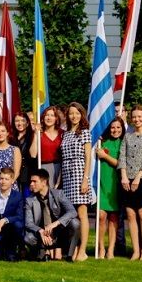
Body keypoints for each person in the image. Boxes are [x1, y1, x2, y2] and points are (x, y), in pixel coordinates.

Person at [118, 105, 142, 261]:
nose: (137, 119)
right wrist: (124, 176)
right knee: (130, 214)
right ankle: (135, 250)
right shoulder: (128, 136)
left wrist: (137, 178)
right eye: (134, 117)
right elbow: (122, 157)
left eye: (139, 116)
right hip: (127, 181)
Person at [56, 101, 93, 261]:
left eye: (77, 113)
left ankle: (83, 250)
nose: (74, 116)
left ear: (81, 114)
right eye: (71, 113)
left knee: (82, 213)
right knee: (72, 215)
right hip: (67, 175)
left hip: (79, 174)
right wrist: (59, 181)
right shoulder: (65, 133)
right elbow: (63, 158)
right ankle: (75, 248)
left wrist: (85, 179)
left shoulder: (84, 132)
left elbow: (88, 157)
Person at [24, 169, 78, 260]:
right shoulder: (29, 200)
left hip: (59, 233)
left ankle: (68, 255)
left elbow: (73, 212)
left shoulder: (58, 194)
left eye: (34, 181)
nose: (31, 184)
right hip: (42, 236)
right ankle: (39, 253)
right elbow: (28, 223)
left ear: (44, 182)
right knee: (28, 238)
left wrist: (55, 224)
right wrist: (40, 231)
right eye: (31, 181)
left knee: (75, 223)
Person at [95, 117, 124, 259]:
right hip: (102, 183)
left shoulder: (124, 143)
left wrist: (105, 157)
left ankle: (111, 250)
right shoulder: (102, 142)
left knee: (113, 218)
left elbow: (121, 163)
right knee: (101, 216)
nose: (115, 130)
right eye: (113, 127)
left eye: (118, 127)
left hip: (116, 184)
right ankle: (101, 248)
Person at [36, 106, 62, 185]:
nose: (49, 118)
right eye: (47, 115)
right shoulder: (39, 134)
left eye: (52, 115)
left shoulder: (63, 133)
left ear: (56, 118)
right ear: (43, 117)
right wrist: (35, 133)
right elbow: (33, 153)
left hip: (61, 168)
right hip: (44, 167)